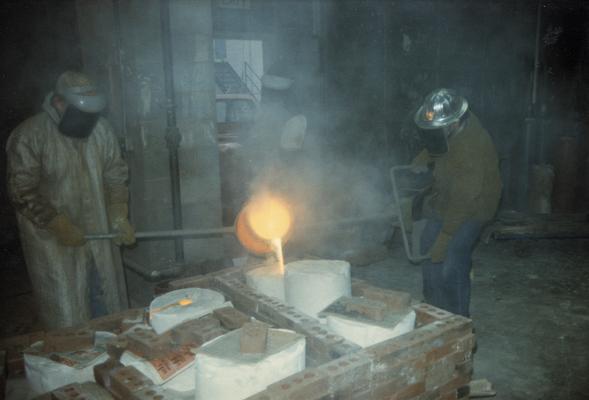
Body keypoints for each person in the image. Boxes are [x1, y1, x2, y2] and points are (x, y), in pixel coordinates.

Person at [6, 71, 135, 329]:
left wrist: (118, 214)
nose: (87, 122)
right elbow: (22, 190)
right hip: (54, 242)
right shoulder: (29, 136)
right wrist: (57, 223)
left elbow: (115, 177)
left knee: (106, 301)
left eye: (92, 116)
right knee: (68, 311)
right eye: (80, 114)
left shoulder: (102, 131)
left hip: (99, 233)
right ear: (58, 103)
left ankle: (109, 351)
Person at [412, 88, 501, 317]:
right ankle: (433, 310)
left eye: (439, 128)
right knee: (427, 247)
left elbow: (465, 198)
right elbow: (439, 144)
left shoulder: (473, 145)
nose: (435, 131)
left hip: (476, 206)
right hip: (448, 197)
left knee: (453, 258)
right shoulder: (452, 128)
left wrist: (447, 235)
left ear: (453, 123)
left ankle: (457, 321)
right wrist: (426, 155)